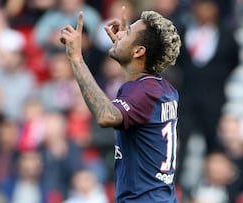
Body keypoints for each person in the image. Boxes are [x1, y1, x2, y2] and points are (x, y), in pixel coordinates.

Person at [60, 6, 181, 203]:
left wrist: (76, 59)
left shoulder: (143, 92)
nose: (121, 32)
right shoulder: (164, 89)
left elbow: (106, 115)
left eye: (129, 32)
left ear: (139, 51)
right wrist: (125, 52)